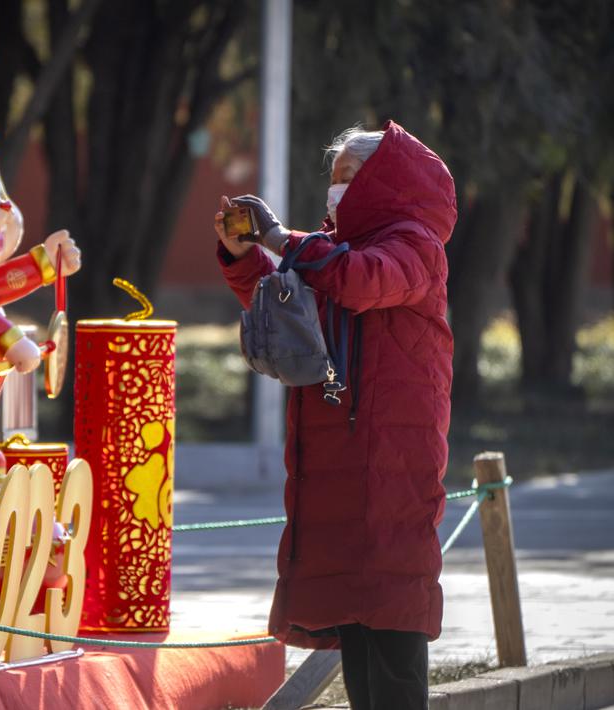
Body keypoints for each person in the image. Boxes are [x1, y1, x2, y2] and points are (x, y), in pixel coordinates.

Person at [212, 121, 457, 710]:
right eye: (334, 179)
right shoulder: (324, 249)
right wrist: (243, 255)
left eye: (347, 177)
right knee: (354, 616)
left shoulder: (414, 244)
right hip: (337, 457)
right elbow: (286, 309)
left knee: (393, 611)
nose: (336, 190)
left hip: (393, 460)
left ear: (384, 181)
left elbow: (359, 280)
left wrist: (279, 235)